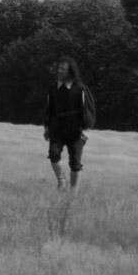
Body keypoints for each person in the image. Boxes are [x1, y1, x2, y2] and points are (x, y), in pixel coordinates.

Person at [43, 56, 97, 191]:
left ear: (70, 71)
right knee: (53, 153)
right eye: (58, 68)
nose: (59, 71)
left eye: (63, 69)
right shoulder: (53, 89)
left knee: (75, 163)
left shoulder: (81, 89)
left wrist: (86, 131)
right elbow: (49, 109)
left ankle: (73, 192)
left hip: (76, 130)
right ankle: (62, 181)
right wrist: (47, 127)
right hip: (57, 128)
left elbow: (88, 110)